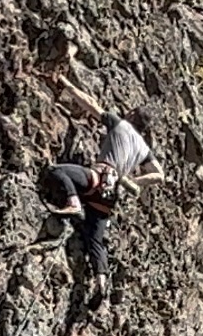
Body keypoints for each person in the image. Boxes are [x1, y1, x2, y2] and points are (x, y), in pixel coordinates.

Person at [38, 117, 152, 307]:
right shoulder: (143, 148)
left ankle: (73, 202)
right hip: (109, 196)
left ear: (132, 115)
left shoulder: (121, 125)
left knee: (57, 171)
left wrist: (66, 86)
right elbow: (159, 175)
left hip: (98, 177)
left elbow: (91, 104)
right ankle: (101, 282)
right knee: (95, 241)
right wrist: (135, 181)